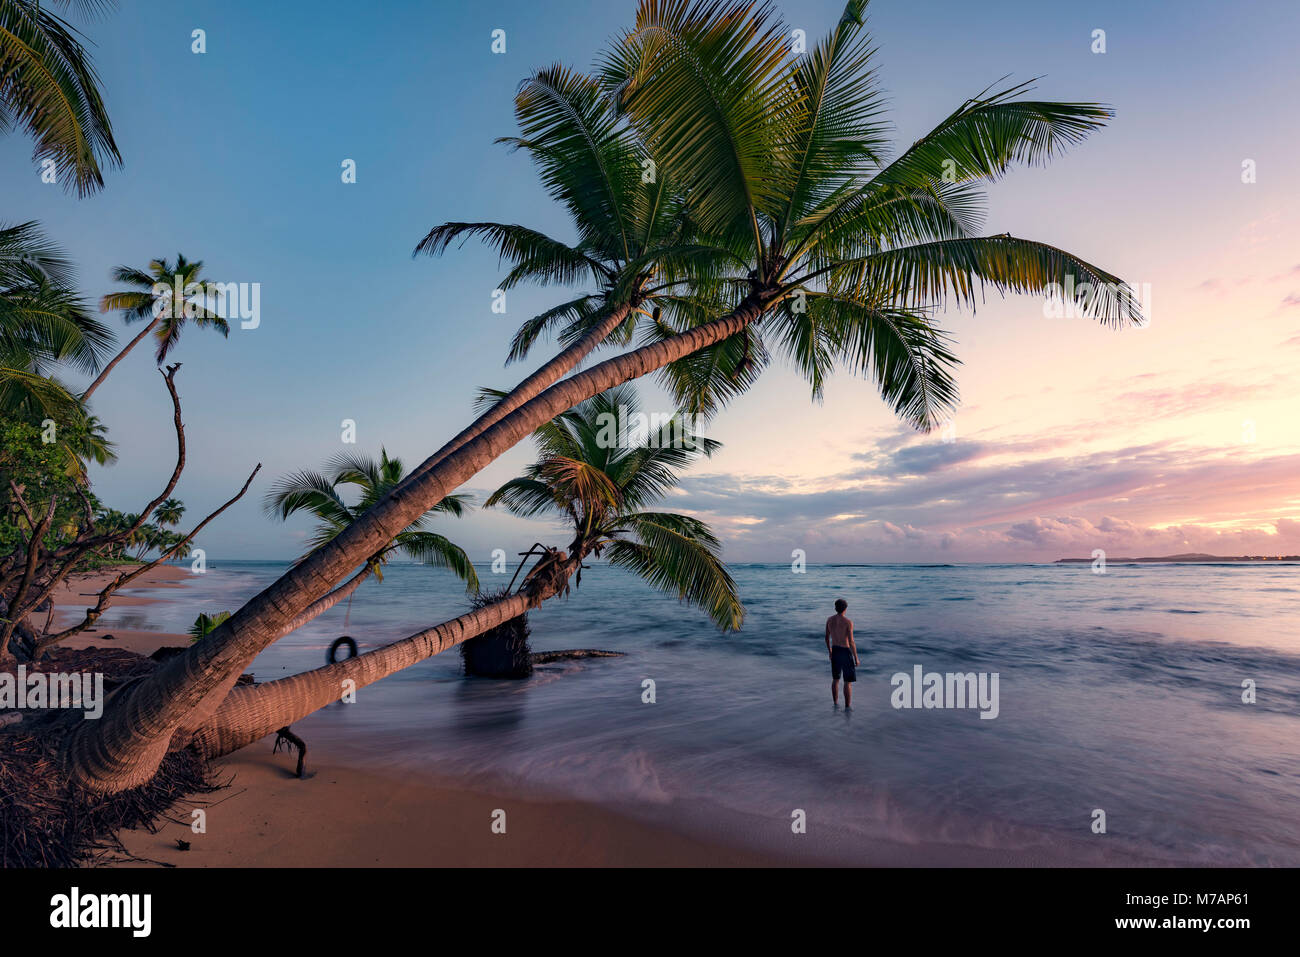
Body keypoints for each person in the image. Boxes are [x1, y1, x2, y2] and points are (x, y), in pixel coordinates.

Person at [825, 598, 858, 709]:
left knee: (835, 680)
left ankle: (835, 703)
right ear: (845, 609)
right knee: (847, 682)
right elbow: (851, 641)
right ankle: (847, 707)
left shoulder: (829, 620)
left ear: (835, 608)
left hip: (835, 650)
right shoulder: (848, 622)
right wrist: (856, 658)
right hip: (845, 651)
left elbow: (826, 638)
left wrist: (830, 651)